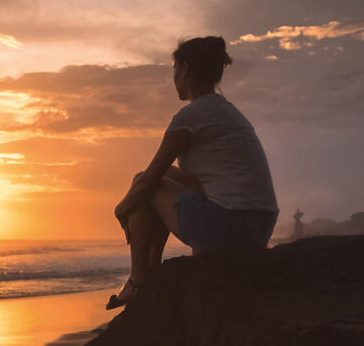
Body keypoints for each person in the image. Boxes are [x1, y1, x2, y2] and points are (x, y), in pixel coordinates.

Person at [106, 36, 279, 309]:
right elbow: (199, 182)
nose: (173, 76)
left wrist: (120, 211)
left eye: (175, 70)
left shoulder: (190, 116)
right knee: (167, 177)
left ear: (185, 69)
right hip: (258, 228)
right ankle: (153, 268)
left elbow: (147, 183)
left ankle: (139, 279)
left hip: (228, 226)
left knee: (142, 182)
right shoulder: (228, 112)